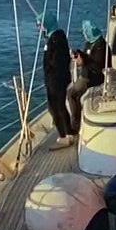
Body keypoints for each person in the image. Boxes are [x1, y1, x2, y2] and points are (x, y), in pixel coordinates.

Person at [64, 20, 108, 145]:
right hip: (85, 75)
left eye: (86, 31)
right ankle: (77, 120)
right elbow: (87, 57)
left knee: (71, 94)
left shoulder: (101, 46)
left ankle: (74, 125)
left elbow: (97, 65)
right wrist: (78, 56)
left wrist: (83, 60)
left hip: (91, 78)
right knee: (75, 95)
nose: (84, 34)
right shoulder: (90, 43)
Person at [42, 16, 74, 148]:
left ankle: (63, 136)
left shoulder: (55, 39)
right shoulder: (58, 36)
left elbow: (55, 60)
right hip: (60, 78)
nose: (40, 27)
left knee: (55, 107)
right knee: (60, 106)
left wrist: (49, 69)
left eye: (41, 24)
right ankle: (69, 132)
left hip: (55, 79)